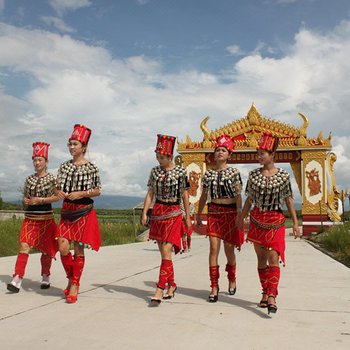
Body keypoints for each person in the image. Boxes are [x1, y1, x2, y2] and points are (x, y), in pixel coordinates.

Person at [238, 132, 300, 314]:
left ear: (272, 155)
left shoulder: (283, 176)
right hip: (257, 219)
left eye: (262, 153)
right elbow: (249, 200)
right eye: (258, 153)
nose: (259, 157)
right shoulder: (253, 175)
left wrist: (295, 222)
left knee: (274, 257)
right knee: (261, 258)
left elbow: (288, 199)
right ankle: (265, 291)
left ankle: (272, 295)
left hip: (276, 220)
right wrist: (241, 218)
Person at [141, 134, 192, 304]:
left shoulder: (180, 172)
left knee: (166, 251)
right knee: (164, 253)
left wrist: (187, 217)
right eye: (157, 157)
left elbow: (185, 195)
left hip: (174, 212)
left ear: (170, 156)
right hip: (158, 212)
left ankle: (160, 288)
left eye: (161, 157)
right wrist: (145, 212)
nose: (158, 160)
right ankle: (172, 285)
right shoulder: (154, 171)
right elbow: (150, 193)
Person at [56, 124, 101, 304]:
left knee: (79, 248)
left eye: (75, 144)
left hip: (83, 210)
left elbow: (98, 190)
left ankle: (74, 284)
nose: (71, 147)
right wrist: (58, 192)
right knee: (63, 247)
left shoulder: (91, 167)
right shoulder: (64, 167)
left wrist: (81, 193)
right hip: (67, 210)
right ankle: (71, 277)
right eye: (70, 144)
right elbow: (58, 187)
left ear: (84, 147)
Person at [196, 134, 244, 302]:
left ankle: (232, 277)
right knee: (213, 249)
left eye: (223, 150)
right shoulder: (208, 174)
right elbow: (203, 196)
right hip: (214, 211)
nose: (219, 153)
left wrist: (240, 213)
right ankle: (214, 286)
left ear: (229, 154)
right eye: (217, 150)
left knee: (229, 249)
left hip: (230, 212)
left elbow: (238, 195)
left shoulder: (234, 172)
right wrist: (199, 214)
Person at [7, 142, 59, 293]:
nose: (36, 163)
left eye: (39, 160)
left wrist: (40, 200)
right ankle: (17, 278)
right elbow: (26, 196)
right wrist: (26, 200)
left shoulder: (52, 179)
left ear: (46, 162)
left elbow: (57, 197)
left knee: (46, 249)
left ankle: (45, 276)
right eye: (34, 160)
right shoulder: (29, 179)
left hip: (46, 219)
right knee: (24, 246)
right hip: (30, 218)